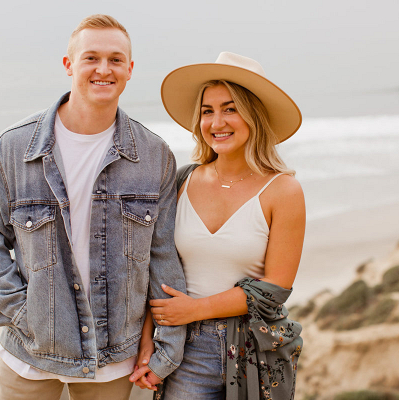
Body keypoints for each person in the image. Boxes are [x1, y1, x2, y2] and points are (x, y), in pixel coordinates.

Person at [0, 14, 186, 400]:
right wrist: (22, 313)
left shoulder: (155, 156)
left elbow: (163, 255)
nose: (104, 69)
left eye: (116, 60)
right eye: (91, 58)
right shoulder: (13, 149)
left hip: (116, 358)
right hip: (30, 355)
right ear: (69, 65)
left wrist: (166, 346)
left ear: (130, 70)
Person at [130, 52, 305, 399]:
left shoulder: (283, 190)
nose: (216, 122)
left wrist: (195, 309)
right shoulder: (181, 181)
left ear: (253, 115)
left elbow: (275, 289)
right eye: (207, 111)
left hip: (255, 351)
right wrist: (149, 345)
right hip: (185, 349)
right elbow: (157, 269)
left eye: (230, 108)